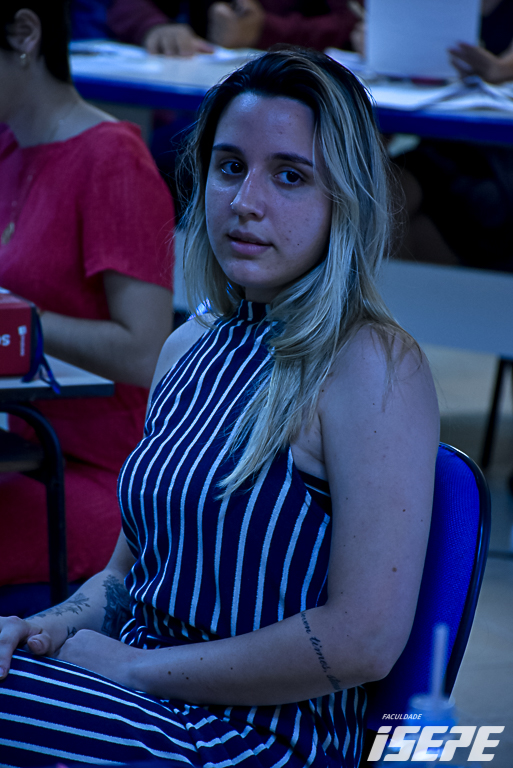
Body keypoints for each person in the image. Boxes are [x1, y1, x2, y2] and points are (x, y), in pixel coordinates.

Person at [0, 47, 439, 767]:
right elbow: (123, 578)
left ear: (347, 200)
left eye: (289, 176)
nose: (244, 202)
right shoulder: (189, 346)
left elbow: (363, 639)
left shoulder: (370, 363)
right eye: (230, 167)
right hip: (140, 699)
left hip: (251, 737)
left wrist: (137, 670)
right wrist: (42, 628)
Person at [0, 1, 174, 594]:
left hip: (101, 474)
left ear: (24, 34)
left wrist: (19, 322)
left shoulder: (112, 161)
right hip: (26, 447)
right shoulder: (9, 148)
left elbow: (145, 352)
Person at [396, 0, 513, 271]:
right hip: (441, 152)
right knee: (379, 198)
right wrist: (385, 52)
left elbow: (504, 65)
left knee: (392, 208)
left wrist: (500, 69)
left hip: (500, 162)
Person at [107, 0, 360, 56]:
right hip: (203, 89)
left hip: (306, 85)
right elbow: (126, 5)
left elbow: (357, 22)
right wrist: (156, 27)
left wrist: (264, 31)